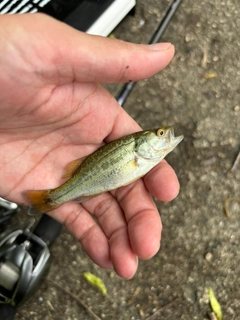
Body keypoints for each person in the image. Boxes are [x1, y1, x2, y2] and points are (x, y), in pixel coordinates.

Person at [0, 13, 179, 280]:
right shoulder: (137, 153)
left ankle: (50, 198)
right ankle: (51, 198)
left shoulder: (142, 156)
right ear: (143, 141)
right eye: (160, 133)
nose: (165, 135)